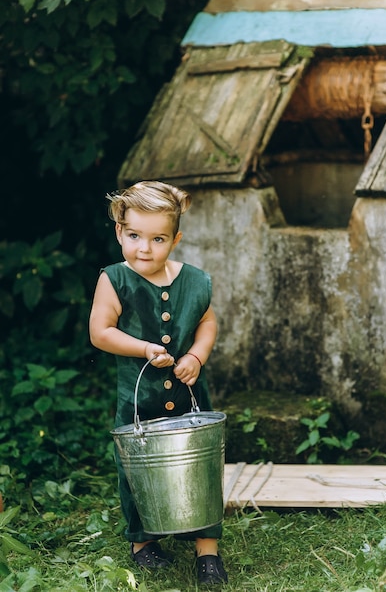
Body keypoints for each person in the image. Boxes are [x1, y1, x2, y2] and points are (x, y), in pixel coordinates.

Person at [89, 180, 228, 586]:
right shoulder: (115, 280)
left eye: (157, 239)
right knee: (135, 470)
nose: (144, 248)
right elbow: (101, 332)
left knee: (201, 467)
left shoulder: (195, 280)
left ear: (176, 239)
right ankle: (143, 543)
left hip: (189, 398)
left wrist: (196, 356)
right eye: (133, 236)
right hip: (139, 401)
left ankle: (207, 550)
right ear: (119, 231)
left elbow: (208, 323)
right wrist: (144, 348)